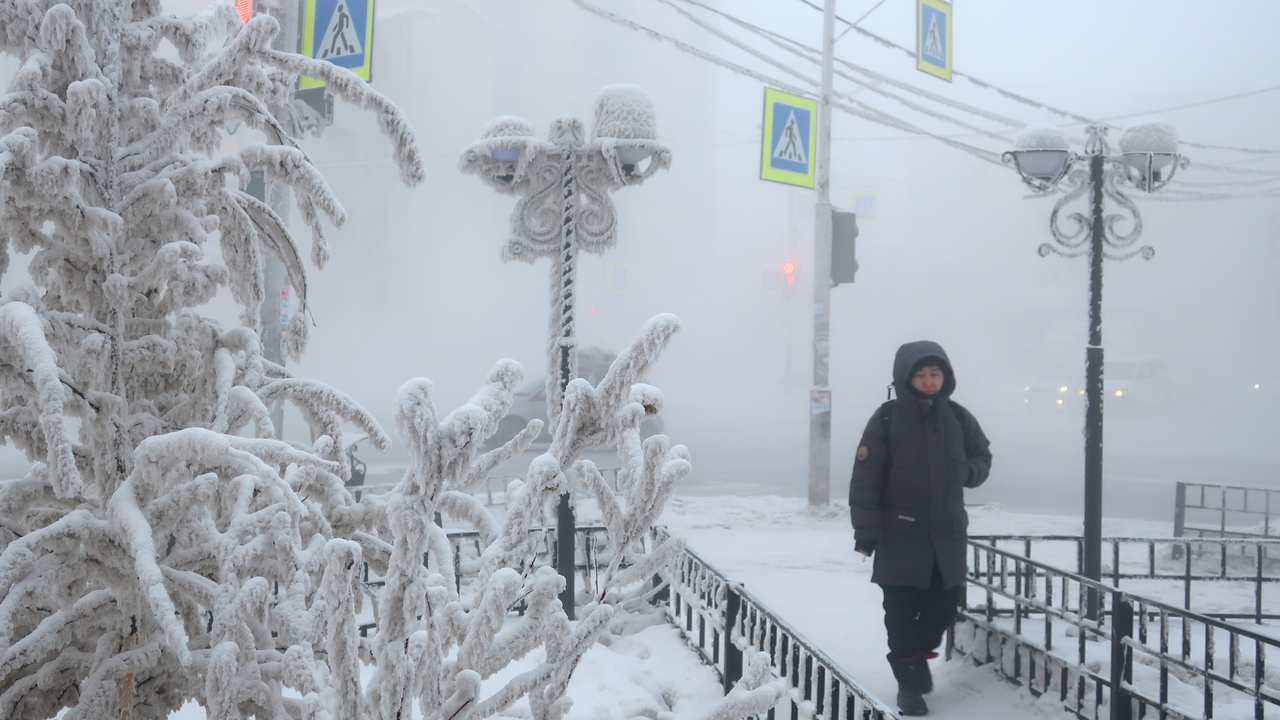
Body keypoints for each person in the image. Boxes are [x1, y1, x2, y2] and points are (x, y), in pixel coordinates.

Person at [848, 341, 992, 716]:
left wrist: (969, 472)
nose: (928, 382)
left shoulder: (958, 417)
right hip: (900, 536)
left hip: (947, 535)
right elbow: (866, 480)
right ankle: (909, 686)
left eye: (935, 374)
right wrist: (866, 533)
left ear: (945, 377)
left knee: (943, 607)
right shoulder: (886, 419)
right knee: (899, 612)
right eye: (920, 375)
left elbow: (982, 456)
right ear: (905, 378)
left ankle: (913, 656)